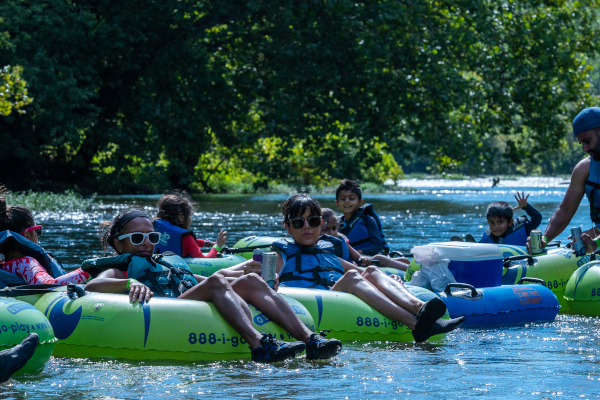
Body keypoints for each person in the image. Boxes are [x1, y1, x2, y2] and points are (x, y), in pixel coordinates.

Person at [83, 209, 342, 363]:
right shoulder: (122, 267)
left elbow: (202, 282)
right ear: (119, 244)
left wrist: (254, 282)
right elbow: (93, 285)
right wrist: (128, 282)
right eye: (137, 238)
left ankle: (311, 341)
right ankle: (260, 345)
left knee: (250, 280)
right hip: (169, 309)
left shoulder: (165, 262)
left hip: (185, 297)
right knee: (219, 281)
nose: (146, 243)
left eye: (151, 237)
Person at [274, 194, 465, 343]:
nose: (307, 227)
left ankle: (421, 308)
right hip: (314, 303)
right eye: (299, 222)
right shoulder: (282, 255)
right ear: (288, 227)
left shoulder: (327, 252)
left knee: (372, 271)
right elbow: (261, 279)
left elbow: (364, 272)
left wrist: (391, 279)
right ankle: (416, 325)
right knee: (351, 278)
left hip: (340, 297)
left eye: (313, 221)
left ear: (320, 224)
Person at [527, 107, 600, 253]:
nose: (585, 149)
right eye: (581, 143)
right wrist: (545, 239)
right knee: (572, 246)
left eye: (587, 141)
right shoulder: (583, 169)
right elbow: (565, 210)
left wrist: (596, 243)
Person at [0, 192, 89, 286]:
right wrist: (89, 270)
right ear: (26, 235)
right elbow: (49, 286)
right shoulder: (25, 264)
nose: (37, 235)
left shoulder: (3, 266)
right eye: (37, 230)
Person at [321, 208, 408, 272]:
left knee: (400, 260)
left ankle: (416, 273)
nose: (332, 233)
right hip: (351, 272)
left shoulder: (341, 240)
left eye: (334, 228)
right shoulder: (318, 247)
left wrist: (364, 259)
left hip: (356, 267)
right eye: (326, 229)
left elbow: (358, 258)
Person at [153, 190, 227, 258]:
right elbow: (206, 261)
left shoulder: (154, 227)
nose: (190, 219)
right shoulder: (187, 238)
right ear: (181, 217)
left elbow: (177, 241)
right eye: (189, 216)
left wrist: (209, 243)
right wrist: (217, 246)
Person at [336, 179, 389, 256]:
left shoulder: (368, 220)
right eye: (342, 199)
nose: (347, 201)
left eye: (351, 198)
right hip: (350, 261)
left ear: (360, 202)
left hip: (370, 259)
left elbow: (377, 246)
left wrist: (358, 252)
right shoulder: (336, 224)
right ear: (337, 203)